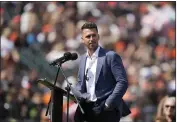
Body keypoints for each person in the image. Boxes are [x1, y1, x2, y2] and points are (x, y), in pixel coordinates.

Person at [72, 22, 131, 122]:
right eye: (88, 36)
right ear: (82, 40)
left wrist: (109, 103)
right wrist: (74, 91)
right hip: (87, 109)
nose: (91, 39)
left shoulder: (110, 56)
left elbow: (122, 82)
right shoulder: (82, 60)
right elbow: (80, 84)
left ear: (98, 36)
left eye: (94, 35)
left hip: (106, 110)